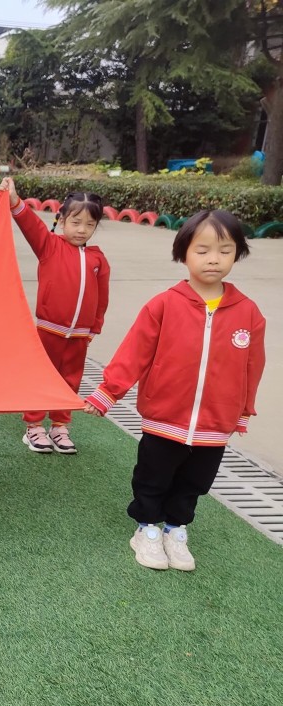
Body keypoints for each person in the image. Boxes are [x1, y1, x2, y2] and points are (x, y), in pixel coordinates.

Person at [84, 210, 266, 571]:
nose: (214, 259)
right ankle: (147, 528)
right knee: (153, 477)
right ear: (183, 253)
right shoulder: (164, 305)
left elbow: (252, 366)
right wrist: (108, 392)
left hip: (215, 424)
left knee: (194, 482)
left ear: (238, 253)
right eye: (203, 250)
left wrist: (243, 410)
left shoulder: (248, 313)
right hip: (164, 417)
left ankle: (175, 529)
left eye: (225, 250)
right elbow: (134, 352)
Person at [0, 177, 109, 455]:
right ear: (61, 221)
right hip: (49, 330)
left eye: (90, 224)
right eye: (76, 222)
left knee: (70, 380)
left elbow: (102, 298)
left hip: (80, 336)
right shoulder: (49, 246)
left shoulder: (98, 259)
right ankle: (34, 426)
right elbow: (30, 225)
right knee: (41, 377)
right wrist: (14, 200)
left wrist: (94, 328)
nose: (81, 230)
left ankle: (60, 426)